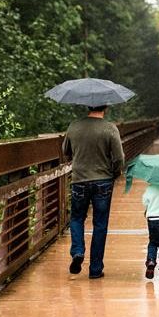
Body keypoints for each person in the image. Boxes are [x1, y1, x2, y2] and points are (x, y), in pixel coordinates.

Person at [62, 105, 124, 278]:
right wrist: (115, 172)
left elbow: (65, 151)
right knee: (100, 225)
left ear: (87, 105)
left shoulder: (74, 126)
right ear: (106, 107)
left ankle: (78, 251)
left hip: (79, 180)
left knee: (76, 218)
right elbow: (119, 158)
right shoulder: (110, 128)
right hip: (103, 181)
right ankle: (95, 270)